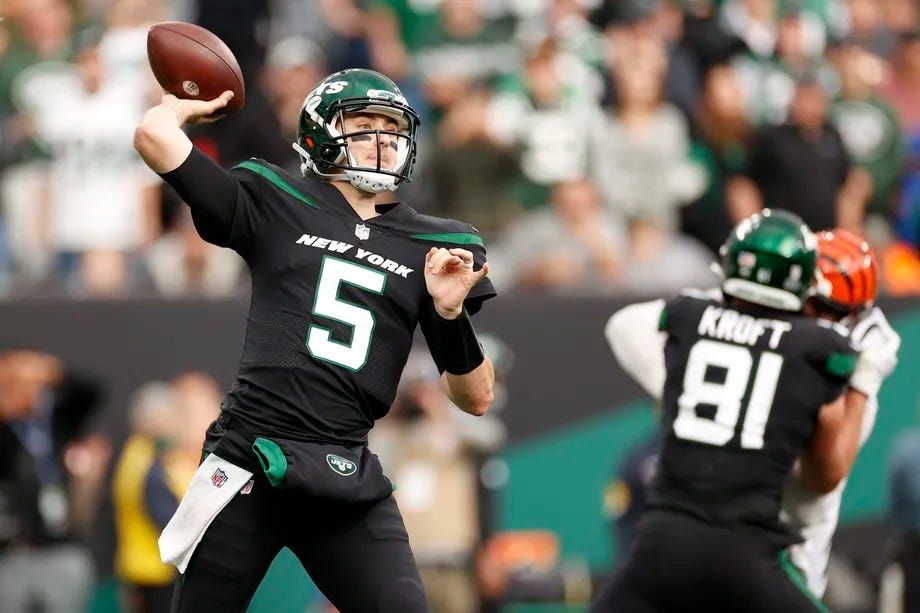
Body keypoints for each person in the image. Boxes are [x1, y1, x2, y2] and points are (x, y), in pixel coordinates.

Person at [133, 67, 497, 612]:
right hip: (249, 459)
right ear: (319, 135)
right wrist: (180, 107)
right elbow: (154, 139)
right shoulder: (276, 196)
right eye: (363, 122)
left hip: (345, 472)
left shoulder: (436, 243)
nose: (381, 138)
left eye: (390, 126)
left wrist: (448, 313)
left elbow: (476, 398)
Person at [593, 209, 884, 612]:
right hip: (750, 548)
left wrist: (691, 388)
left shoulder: (691, 316)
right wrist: (864, 378)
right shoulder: (821, 352)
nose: (812, 318)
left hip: (668, 536)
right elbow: (825, 475)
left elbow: (628, 323)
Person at [782, 228, 901, 599]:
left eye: (828, 310)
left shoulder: (854, 375)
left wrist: (862, 379)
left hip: (787, 551)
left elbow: (819, 478)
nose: (812, 317)